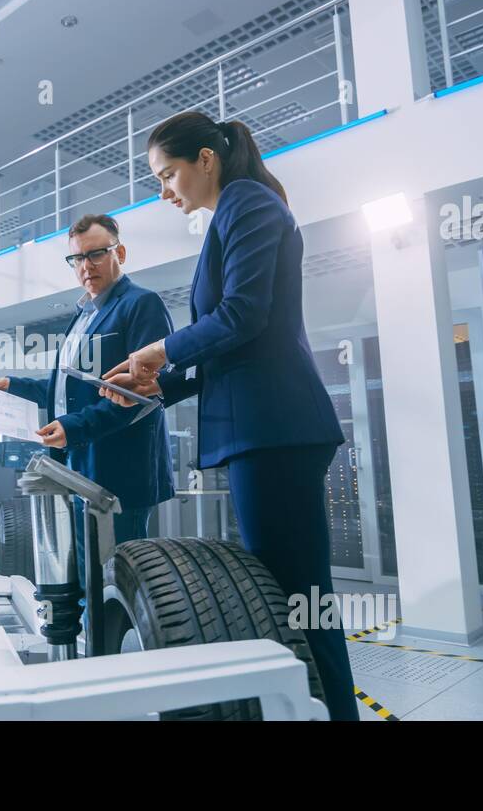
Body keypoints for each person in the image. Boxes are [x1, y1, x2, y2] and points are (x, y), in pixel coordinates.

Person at [99, 112, 359, 720]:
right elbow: (231, 342)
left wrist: (156, 350)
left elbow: (242, 316)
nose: (163, 191)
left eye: (168, 174)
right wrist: (157, 384)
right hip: (259, 427)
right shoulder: (231, 214)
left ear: (205, 161)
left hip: (273, 426)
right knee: (289, 594)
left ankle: (337, 712)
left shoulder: (249, 203)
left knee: (301, 597)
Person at [0, 213, 175, 589]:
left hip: (120, 473)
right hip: (78, 470)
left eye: (96, 254)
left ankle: (125, 648)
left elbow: (141, 394)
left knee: (119, 585)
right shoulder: (82, 316)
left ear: (119, 252)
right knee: (89, 579)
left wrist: (73, 427)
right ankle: (94, 645)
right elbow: (65, 390)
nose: (85, 266)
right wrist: (13, 384)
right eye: (77, 258)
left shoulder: (141, 305)